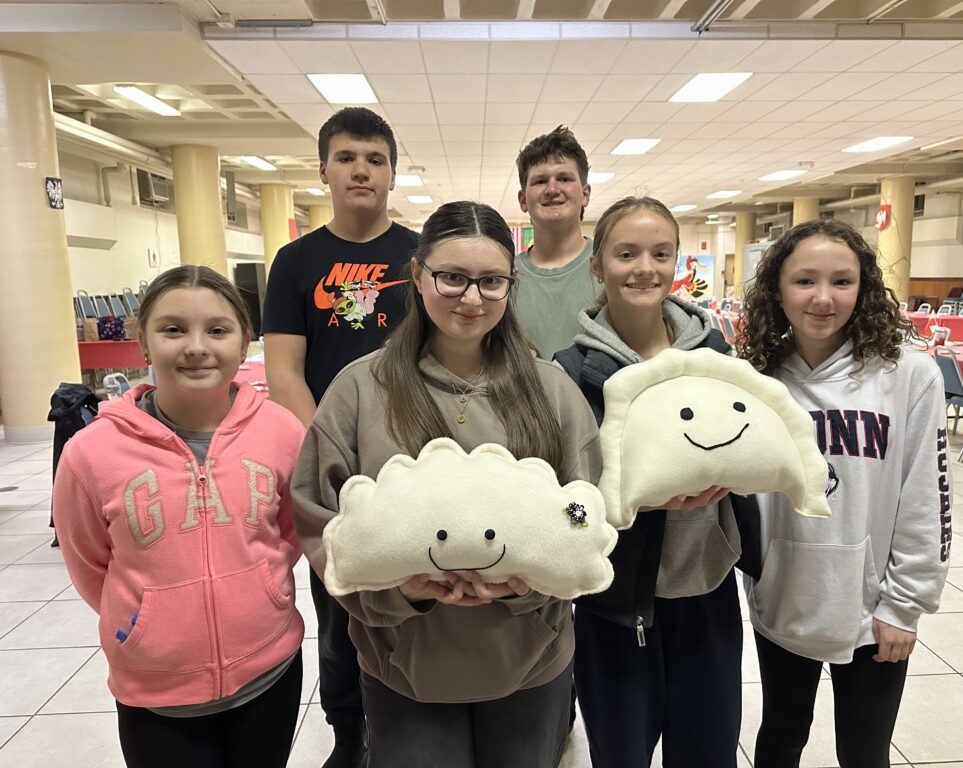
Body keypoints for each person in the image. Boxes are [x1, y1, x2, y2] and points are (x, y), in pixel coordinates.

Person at [290, 201, 602, 768]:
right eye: (452, 277)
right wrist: (397, 594)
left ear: (511, 284)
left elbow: (585, 510)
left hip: (531, 655)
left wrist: (529, 586)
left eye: (492, 281)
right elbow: (319, 519)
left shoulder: (552, 391)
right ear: (417, 275)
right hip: (402, 663)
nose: (472, 298)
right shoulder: (359, 390)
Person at [53, 265, 306, 768]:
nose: (196, 347)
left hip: (269, 673)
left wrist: (264, 589)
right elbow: (89, 564)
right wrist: (144, 621)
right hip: (157, 695)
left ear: (244, 343)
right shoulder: (91, 453)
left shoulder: (282, 432)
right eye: (173, 329)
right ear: (144, 344)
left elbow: (288, 535)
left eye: (217, 330)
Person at [734, 219, 951, 768]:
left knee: (864, 751)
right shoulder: (754, 379)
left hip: (873, 607)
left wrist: (905, 605)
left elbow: (926, 498)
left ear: (864, 287)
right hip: (784, 599)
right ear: (777, 288)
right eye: (805, 280)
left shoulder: (909, 375)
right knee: (781, 737)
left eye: (842, 281)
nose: (823, 298)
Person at [555, 196, 757, 768]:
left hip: (706, 589)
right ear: (597, 266)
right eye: (626, 254)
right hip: (613, 602)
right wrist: (628, 504)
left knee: (708, 754)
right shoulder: (568, 373)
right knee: (620, 756)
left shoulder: (717, 357)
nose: (645, 267)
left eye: (660, 253)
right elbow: (560, 507)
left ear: (675, 263)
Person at [262, 106, 418, 767]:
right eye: (347, 157)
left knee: (418, 596)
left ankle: (408, 726)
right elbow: (283, 373)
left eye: (375, 159)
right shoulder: (296, 261)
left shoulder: (419, 256)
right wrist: (334, 455)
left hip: (413, 461)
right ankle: (349, 736)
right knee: (341, 612)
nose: (361, 170)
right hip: (330, 469)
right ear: (323, 169)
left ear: (392, 173)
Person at [514, 125, 601, 360]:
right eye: (540, 181)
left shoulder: (612, 266)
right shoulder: (504, 277)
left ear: (585, 194)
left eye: (564, 178)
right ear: (523, 200)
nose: (552, 189)